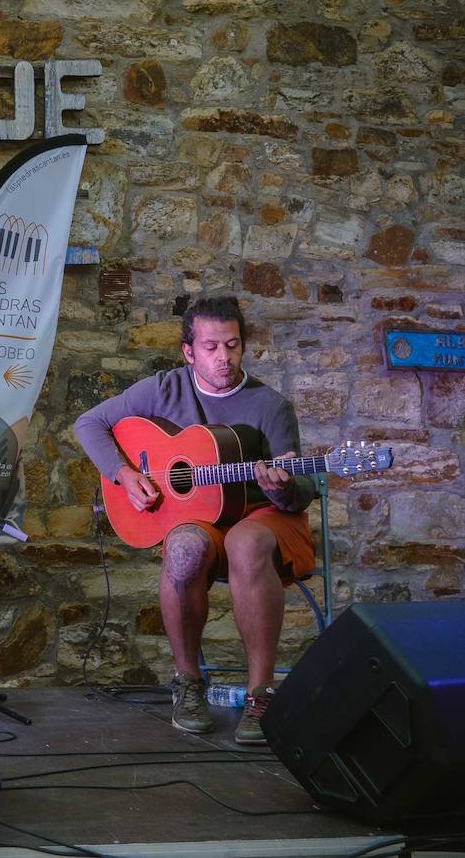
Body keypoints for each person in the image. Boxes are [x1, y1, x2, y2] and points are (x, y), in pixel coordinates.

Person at [73, 295, 313, 746]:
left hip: (262, 517)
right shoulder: (164, 389)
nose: (223, 358)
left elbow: (300, 492)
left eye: (232, 345)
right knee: (182, 547)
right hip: (201, 519)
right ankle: (188, 684)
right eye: (210, 348)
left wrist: (281, 485)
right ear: (188, 352)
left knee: (245, 543)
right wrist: (123, 475)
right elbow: (90, 423)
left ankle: (260, 694)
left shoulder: (271, 406)